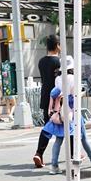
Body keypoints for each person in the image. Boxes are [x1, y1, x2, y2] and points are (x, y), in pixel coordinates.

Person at [44, 57, 91, 173]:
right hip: (73, 112)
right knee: (83, 137)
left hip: (61, 112)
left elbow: (58, 93)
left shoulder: (58, 79)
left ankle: (54, 166)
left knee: (58, 140)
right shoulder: (73, 78)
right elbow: (75, 95)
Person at [33, 35, 61, 167]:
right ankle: (75, 153)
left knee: (48, 127)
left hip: (45, 98)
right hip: (57, 99)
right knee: (70, 126)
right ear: (56, 46)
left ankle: (39, 153)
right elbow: (59, 82)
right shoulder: (58, 62)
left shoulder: (41, 61)